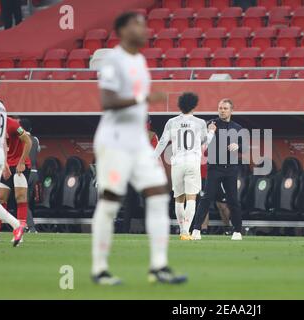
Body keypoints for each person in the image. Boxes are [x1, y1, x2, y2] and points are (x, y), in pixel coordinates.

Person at [91, 11, 186, 285]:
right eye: (137, 25)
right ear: (121, 30)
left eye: (145, 25)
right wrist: (144, 97)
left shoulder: (141, 60)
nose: (144, 30)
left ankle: (159, 266)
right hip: (114, 140)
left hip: (138, 141)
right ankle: (100, 269)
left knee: (158, 194)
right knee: (110, 202)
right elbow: (108, 100)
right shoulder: (113, 60)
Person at [154, 92, 215, 240]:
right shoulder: (200, 122)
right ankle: (186, 231)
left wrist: (153, 157)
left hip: (177, 163)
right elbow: (205, 144)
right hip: (193, 163)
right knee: (192, 198)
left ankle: (182, 230)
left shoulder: (171, 122)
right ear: (194, 105)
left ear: (180, 105)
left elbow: (162, 142)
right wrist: (211, 132)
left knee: (179, 198)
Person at [191, 98, 244, 241]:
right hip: (214, 167)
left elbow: (244, 146)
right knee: (206, 198)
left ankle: (237, 231)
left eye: (225, 108)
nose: (222, 110)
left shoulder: (238, 128)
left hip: (231, 168)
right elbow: (201, 141)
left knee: (233, 200)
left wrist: (238, 146)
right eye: (220, 108)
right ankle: (196, 229)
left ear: (231, 110)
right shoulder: (211, 124)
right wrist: (209, 132)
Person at [0, 75, 25, 246]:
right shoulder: (1, 107)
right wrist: (5, 161)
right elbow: (2, 138)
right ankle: (17, 225)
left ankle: (16, 225)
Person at [0, 116, 32, 242]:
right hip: (6, 165)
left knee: (20, 197)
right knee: (0, 198)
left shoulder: (13, 124)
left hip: (20, 164)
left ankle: (20, 234)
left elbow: (28, 141)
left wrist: (21, 162)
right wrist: (4, 164)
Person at [16, 118, 39, 233]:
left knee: (22, 201)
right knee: (27, 201)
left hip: (26, 172)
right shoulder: (35, 139)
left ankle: (30, 227)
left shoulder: (20, 138)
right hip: (35, 174)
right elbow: (37, 152)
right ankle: (26, 225)